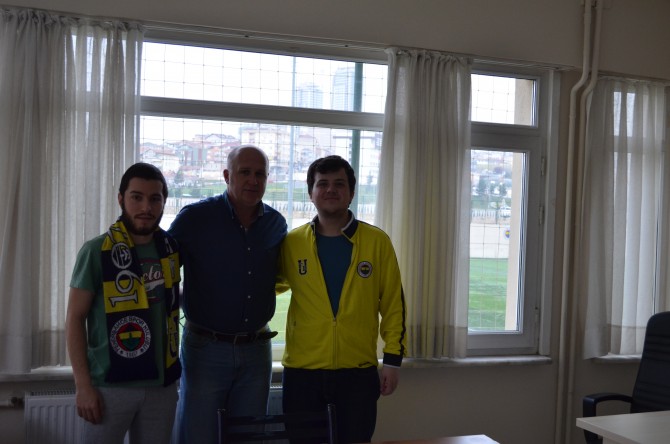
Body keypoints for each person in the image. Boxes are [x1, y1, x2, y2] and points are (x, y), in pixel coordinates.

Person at [278, 155, 407, 443]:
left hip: (357, 375)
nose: (330, 190)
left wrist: (392, 361)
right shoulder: (292, 243)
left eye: (339, 184)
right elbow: (266, 286)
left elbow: (393, 306)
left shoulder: (377, 242)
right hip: (302, 374)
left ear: (351, 192)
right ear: (311, 193)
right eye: (322, 183)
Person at [169, 145, 288, 444]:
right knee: (198, 435)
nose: (253, 180)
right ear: (226, 175)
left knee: (250, 435)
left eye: (260, 174)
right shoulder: (195, 218)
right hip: (206, 350)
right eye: (244, 172)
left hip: (256, 350)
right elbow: (161, 271)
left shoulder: (276, 224)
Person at [66, 162, 181, 444]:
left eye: (155, 199)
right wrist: (83, 386)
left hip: (162, 385)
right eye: (136, 197)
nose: (146, 207)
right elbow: (74, 318)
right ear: (121, 199)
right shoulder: (96, 251)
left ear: (164, 202)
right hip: (109, 386)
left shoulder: (170, 250)